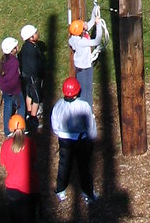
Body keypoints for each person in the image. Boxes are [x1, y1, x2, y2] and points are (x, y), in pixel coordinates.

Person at [50, 77, 98, 205]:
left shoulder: (59, 105)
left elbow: (54, 123)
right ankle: (87, 193)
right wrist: (92, 137)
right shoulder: (83, 106)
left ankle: (60, 190)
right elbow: (90, 125)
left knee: (64, 165)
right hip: (80, 140)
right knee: (84, 167)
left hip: (64, 140)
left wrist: (60, 133)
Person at [0, 113, 40, 223]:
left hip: (12, 188)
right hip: (30, 187)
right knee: (30, 217)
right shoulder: (30, 143)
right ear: (24, 127)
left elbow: (3, 164)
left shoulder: (5, 145)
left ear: (10, 128)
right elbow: (34, 161)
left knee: (15, 217)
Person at [68, 3, 104, 107]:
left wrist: (95, 8)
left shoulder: (76, 36)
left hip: (85, 65)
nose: (84, 23)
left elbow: (91, 21)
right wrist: (98, 25)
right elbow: (97, 41)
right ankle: (84, 110)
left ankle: (88, 110)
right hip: (83, 68)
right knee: (85, 92)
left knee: (88, 90)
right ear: (81, 31)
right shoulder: (81, 42)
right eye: (83, 25)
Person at [18, 24, 45, 133]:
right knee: (36, 97)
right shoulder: (32, 50)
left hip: (26, 76)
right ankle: (33, 118)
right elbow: (35, 65)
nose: (37, 34)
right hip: (34, 77)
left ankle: (29, 113)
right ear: (31, 37)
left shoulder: (25, 47)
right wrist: (40, 74)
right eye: (35, 33)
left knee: (29, 94)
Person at [0, 37, 25, 137]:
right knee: (21, 106)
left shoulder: (3, 59)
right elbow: (13, 76)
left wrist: (2, 87)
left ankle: (7, 130)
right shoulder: (14, 62)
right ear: (13, 49)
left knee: (7, 107)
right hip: (14, 89)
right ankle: (21, 127)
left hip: (5, 89)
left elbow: (2, 75)